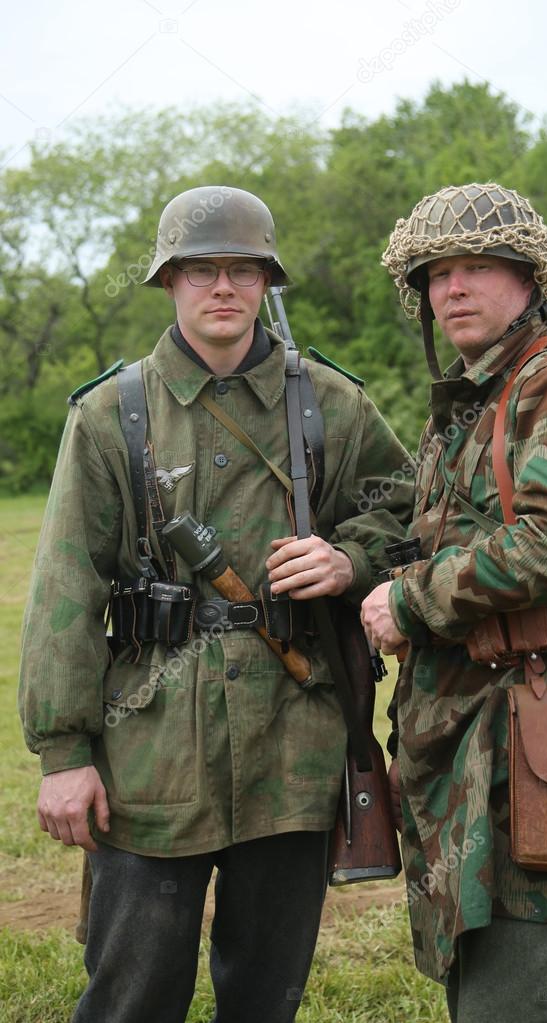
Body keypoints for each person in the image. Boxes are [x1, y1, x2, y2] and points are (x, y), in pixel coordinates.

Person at [18, 185, 413, 1023]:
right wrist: (64, 752)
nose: (222, 288)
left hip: (292, 743)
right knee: (132, 991)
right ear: (169, 282)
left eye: (242, 269)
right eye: (202, 270)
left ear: (268, 280)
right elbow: (66, 588)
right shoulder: (109, 415)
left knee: (265, 993)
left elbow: (410, 507)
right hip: (150, 747)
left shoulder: (331, 407)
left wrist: (349, 557)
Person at [361, 182, 547, 1023]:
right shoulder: (468, 404)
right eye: (436, 273)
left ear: (528, 281)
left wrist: (411, 600)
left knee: (526, 982)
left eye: (477, 268)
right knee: (484, 985)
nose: (452, 287)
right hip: (472, 746)